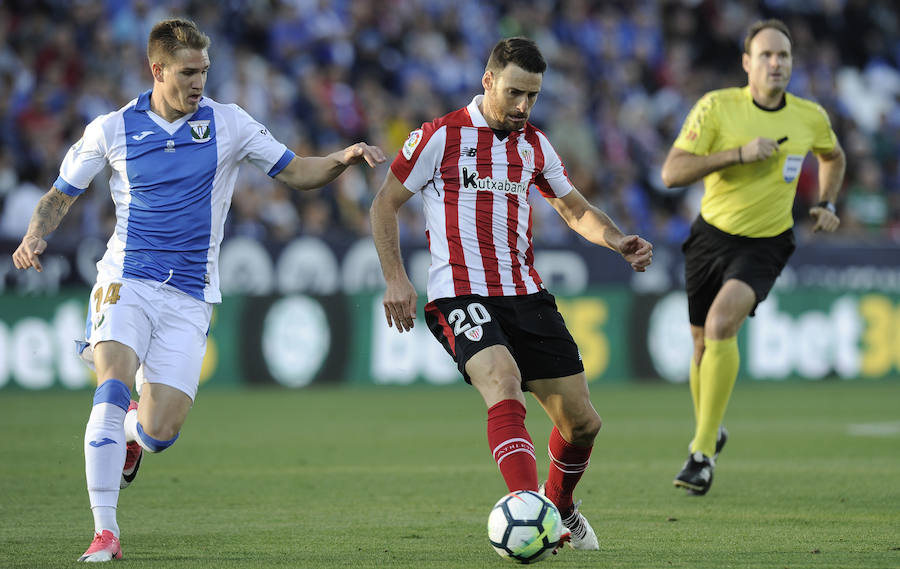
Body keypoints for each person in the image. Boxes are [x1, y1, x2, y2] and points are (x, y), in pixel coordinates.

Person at [11, 18, 385, 562]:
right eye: (188, 73)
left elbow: (297, 172)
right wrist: (34, 234)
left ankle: (138, 436)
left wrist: (341, 160)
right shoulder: (111, 129)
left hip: (189, 295)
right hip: (126, 279)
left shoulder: (229, 124)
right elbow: (59, 195)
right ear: (156, 70)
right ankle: (106, 531)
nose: (199, 83)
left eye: (205, 71)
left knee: (161, 430)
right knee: (112, 384)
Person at [370, 37, 652, 551]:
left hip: (525, 293)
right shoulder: (439, 137)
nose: (524, 106)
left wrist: (616, 239)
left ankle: (560, 505)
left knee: (583, 424)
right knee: (502, 379)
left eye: (534, 96)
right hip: (458, 294)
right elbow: (384, 204)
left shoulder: (535, 146)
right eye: (515, 92)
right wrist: (395, 276)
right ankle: (532, 511)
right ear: (488, 81)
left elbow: (575, 209)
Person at [661, 19, 845, 496]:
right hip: (710, 236)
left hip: (766, 241)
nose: (776, 63)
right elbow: (672, 172)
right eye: (766, 55)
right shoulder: (717, 107)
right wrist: (737, 154)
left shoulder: (809, 117)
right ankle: (712, 426)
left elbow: (833, 157)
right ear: (747, 63)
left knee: (722, 325)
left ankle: (701, 454)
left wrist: (825, 203)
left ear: (792, 63)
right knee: (700, 344)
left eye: (783, 55)